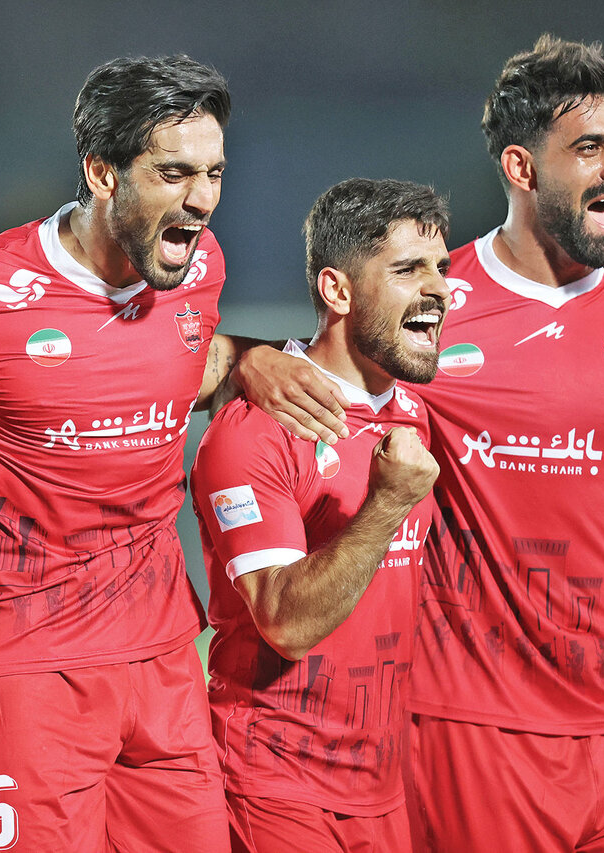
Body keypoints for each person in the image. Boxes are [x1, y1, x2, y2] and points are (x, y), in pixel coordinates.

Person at [236, 36, 604, 851]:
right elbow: (310, 372)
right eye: (590, 149)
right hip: (476, 729)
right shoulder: (430, 308)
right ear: (521, 168)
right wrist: (247, 357)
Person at [0, 54, 260, 851]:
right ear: (102, 172)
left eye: (213, 173)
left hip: (164, 661)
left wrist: (251, 356)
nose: (202, 200)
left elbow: (181, 365)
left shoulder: (200, 270)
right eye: (173, 173)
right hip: (26, 667)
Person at [191, 178, 448, 852]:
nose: (439, 288)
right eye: (408, 269)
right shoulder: (255, 431)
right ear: (337, 290)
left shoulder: (416, 413)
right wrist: (388, 502)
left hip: (383, 790)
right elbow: (287, 622)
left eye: (441, 267)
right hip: (274, 788)